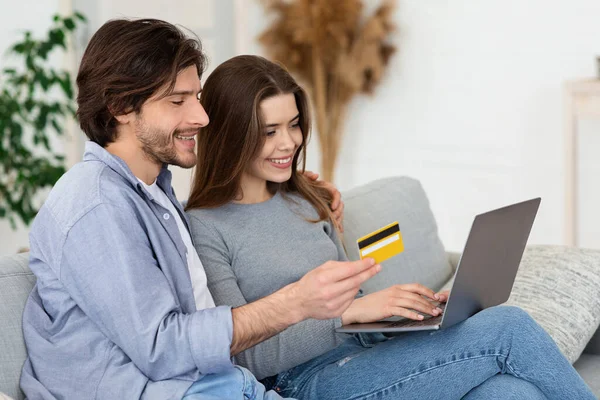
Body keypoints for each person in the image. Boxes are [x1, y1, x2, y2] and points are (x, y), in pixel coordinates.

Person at [185, 54, 596, 400]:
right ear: (231, 135)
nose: (289, 142)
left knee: (509, 392)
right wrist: (352, 313)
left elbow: (352, 303)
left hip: (365, 354)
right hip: (304, 381)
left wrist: (405, 316)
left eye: (293, 124)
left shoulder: (305, 199)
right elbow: (240, 354)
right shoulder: (205, 227)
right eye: (269, 131)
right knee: (509, 326)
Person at [19, 19, 381, 400]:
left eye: (197, 97)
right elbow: (163, 348)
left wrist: (298, 188)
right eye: (178, 101)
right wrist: (296, 302)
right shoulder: (94, 205)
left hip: (229, 387)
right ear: (121, 107)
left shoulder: (154, 195)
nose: (202, 117)